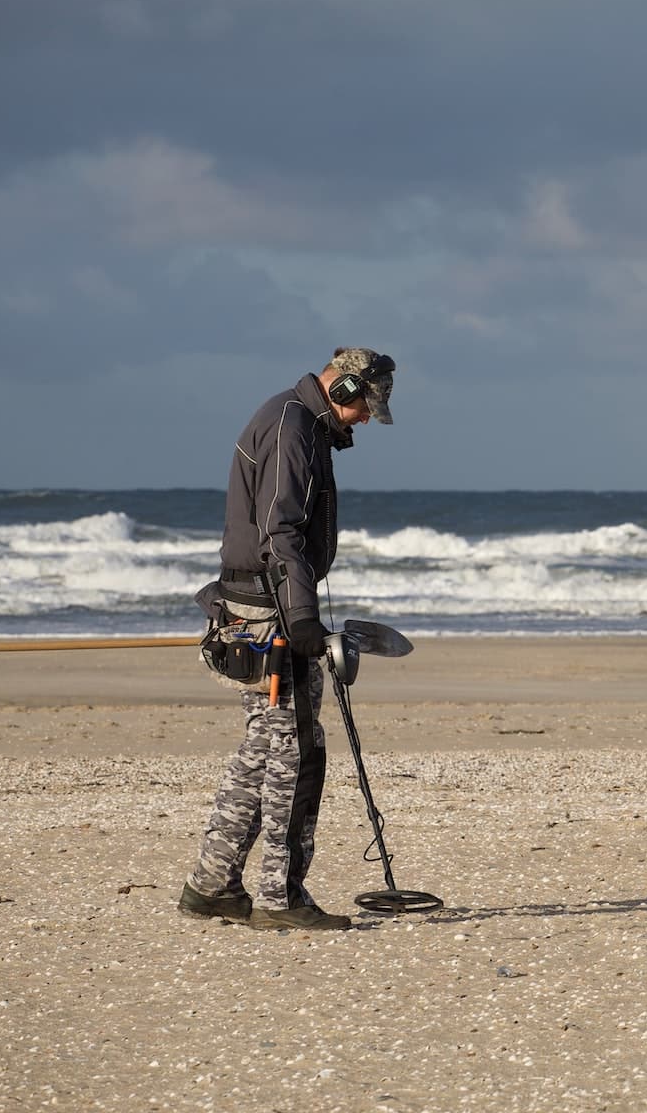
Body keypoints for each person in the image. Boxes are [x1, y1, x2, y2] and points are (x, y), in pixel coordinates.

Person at [178, 347, 396, 931]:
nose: (367, 420)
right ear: (344, 388)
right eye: (366, 407)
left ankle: (212, 884)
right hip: (269, 614)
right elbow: (282, 533)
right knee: (297, 749)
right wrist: (300, 620)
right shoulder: (291, 427)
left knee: (265, 745)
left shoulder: (295, 422)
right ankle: (280, 897)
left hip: (257, 605)